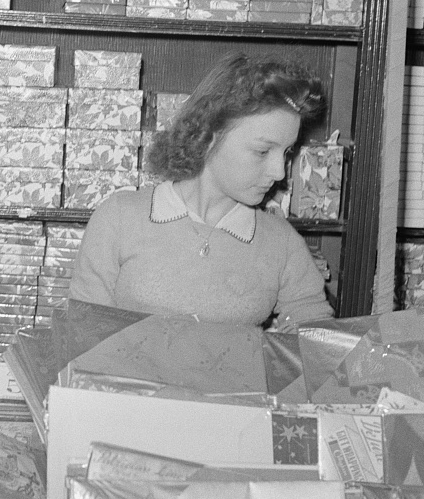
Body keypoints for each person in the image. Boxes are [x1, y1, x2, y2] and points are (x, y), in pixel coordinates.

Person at [69, 53, 335, 330]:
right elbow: (84, 332)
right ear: (209, 136)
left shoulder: (282, 243)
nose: (279, 172)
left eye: (287, 152)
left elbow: (315, 342)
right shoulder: (120, 218)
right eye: (263, 151)